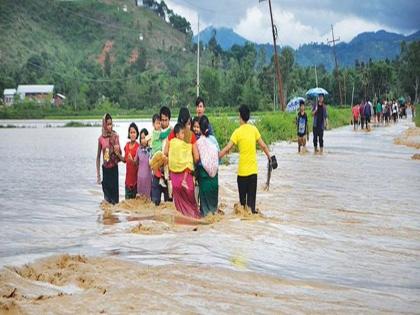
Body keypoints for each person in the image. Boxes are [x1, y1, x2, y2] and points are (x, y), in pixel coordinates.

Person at [219, 105, 272, 214]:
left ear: (240, 116)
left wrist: (217, 156)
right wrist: (269, 157)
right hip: (253, 173)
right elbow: (263, 146)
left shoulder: (237, 132)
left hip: (242, 174)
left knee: (242, 207)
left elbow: (228, 148)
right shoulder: (254, 130)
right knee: (251, 209)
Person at [166, 108, 200, 218]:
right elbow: (196, 157)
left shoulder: (173, 134)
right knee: (191, 205)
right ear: (188, 120)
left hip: (175, 178)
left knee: (178, 210)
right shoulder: (191, 135)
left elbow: (166, 152)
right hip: (187, 177)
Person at [96, 113, 123, 205]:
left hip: (114, 169)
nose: (109, 126)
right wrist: (98, 175)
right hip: (105, 170)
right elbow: (98, 157)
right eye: (107, 124)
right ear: (104, 124)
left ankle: (114, 218)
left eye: (111, 124)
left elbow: (121, 157)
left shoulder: (115, 137)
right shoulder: (101, 139)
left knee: (115, 200)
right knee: (107, 199)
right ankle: (107, 218)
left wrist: (117, 151)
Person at [196, 115, 220, 216]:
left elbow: (196, 159)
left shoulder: (197, 143)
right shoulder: (213, 140)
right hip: (214, 178)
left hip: (204, 176)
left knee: (205, 210)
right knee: (213, 209)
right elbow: (218, 156)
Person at [151, 106, 172, 205]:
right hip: (157, 171)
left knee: (169, 204)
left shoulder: (173, 132)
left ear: (169, 120)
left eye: (165, 120)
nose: (163, 122)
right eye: (162, 120)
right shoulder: (156, 130)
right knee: (155, 203)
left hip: (168, 172)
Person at [123, 123, 140, 199]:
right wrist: (117, 154)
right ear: (129, 134)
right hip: (127, 181)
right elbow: (124, 160)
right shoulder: (126, 146)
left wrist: (132, 161)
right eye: (131, 132)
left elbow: (139, 164)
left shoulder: (138, 147)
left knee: (135, 206)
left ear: (137, 134)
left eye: (134, 132)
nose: (132, 134)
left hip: (136, 182)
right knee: (127, 204)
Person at [135, 128, 152, 199]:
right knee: (140, 199)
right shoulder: (138, 149)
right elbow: (136, 162)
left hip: (148, 178)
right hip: (140, 178)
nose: (143, 140)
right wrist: (130, 159)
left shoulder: (151, 150)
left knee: (148, 199)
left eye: (145, 138)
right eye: (141, 138)